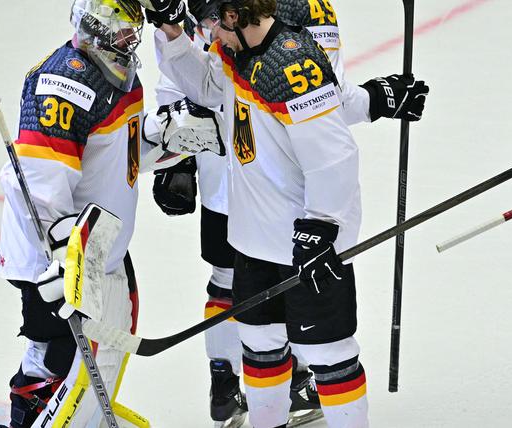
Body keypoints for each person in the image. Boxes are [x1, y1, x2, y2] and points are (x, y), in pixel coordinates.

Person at [148, 0, 427, 426]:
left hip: (304, 241)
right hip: (251, 237)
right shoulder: (234, 52)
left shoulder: (293, 64)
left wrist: (321, 226)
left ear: (233, 16)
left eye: (211, 24)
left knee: (330, 356)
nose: (209, 36)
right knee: (259, 346)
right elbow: (205, 89)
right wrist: (171, 33)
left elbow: (333, 156)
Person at [0, 0, 162, 426]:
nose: (129, 40)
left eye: (132, 32)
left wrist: (168, 141)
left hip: (95, 249)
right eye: (123, 30)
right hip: (58, 258)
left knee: (76, 368)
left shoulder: (117, 75)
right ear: (95, 27)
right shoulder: (64, 81)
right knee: (53, 362)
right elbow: (40, 183)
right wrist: (60, 250)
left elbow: (118, 150)